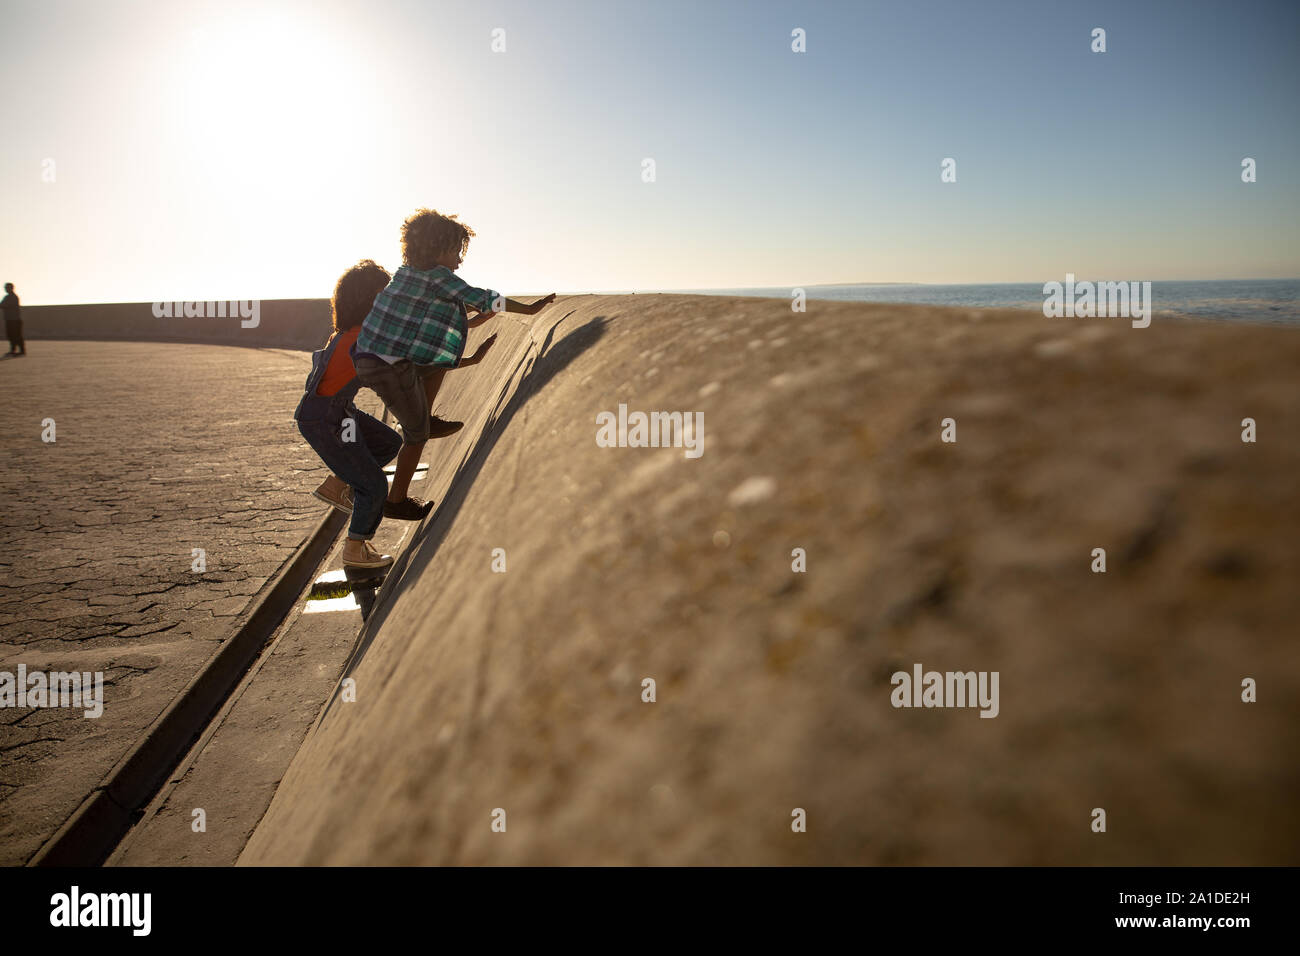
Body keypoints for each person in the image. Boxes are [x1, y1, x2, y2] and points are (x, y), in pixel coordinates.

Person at [352, 208, 555, 518]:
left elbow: (433, 321)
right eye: (455, 253)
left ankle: (426, 419)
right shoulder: (438, 277)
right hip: (390, 364)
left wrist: (472, 323)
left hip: (374, 358)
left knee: (435, 367)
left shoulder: (405, 275)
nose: (459, 261)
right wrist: (529, 310)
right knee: (415, 435)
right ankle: (396, 501)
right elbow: (480, 295)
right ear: (436, 250)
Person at [2, 283, 23, 356]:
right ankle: (13, 350)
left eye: (7, 288)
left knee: (16, 335)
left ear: (11, 288)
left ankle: (22, 351)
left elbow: (5, 305)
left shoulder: (13, 297)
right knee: (11, 335)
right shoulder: (7, 297)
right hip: (9, 319)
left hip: (14, 319)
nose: (5, 289)